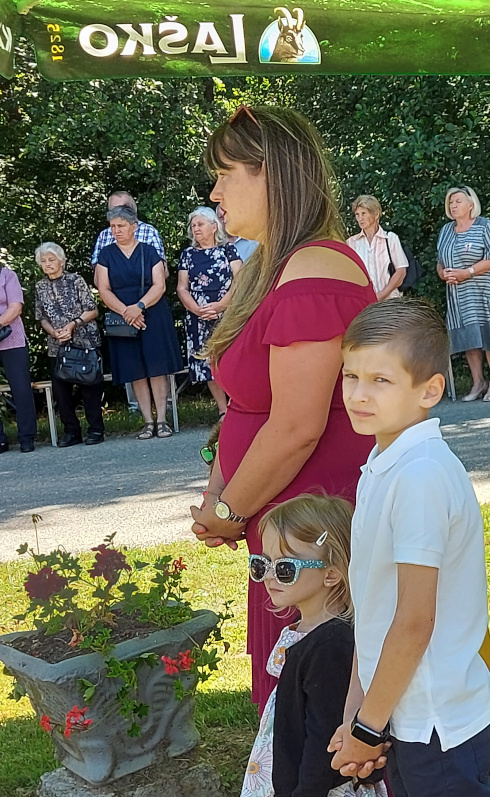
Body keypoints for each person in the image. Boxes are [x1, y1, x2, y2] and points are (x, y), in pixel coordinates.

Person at [189, 106, 377, 713]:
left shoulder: (316, 269)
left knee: (318, 718)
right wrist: (224, 496)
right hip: (284, 532)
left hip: (312, 531)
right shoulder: (276, 267)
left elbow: (296, 426)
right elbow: (246, 408)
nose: (215, 192)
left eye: (225, 173)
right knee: (295, 714)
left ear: (273, 173)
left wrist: (227, 509)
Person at [332, 299, 490, 797]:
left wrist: (366, 725)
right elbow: (373, 607)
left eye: (380, 380)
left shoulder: (422, 474)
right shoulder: (382, 459)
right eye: (350, 375)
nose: (359, 394)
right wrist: (360, 710)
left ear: (430, 389)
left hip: (436, 721)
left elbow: (414, 620)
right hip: (401, 715)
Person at [218, 494, 403, 797]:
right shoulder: (309, 633)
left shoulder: (331, 646)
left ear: (333, 574)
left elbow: (325, 742)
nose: (269, 576)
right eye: (260, 564)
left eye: (284, 567)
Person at [95, 204, 183, 439]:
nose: (116, 231)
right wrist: (127, 311)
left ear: (134, 227)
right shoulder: (106, 255)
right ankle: (147, 421)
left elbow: (160, 285)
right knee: (135, 370)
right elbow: (103, 289)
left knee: (156, 366)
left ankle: (162, 420)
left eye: (121, 226)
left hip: (151, 312)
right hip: (123, 317)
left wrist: (139, 307)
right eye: (113, 226)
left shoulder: (149, 251)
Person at [437, 187, 490, 403]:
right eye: (451, 202)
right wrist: (443, 273)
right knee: (469, 338)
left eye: (458, 201)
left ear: (471, 204)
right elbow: (440, 261)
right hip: (459, 295)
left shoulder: (484, 226)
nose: (453, 205)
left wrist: (466, 272)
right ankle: (478, 381)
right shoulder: (446, 230)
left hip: (487, 292)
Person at [34, 242, 105, 447]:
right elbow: (41, 317)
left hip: (84, 340)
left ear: (61, 262)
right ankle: (71, 432)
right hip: (57, 345)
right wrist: (54, 332)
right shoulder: (40, 286)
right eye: (44, 261)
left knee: (90, 387)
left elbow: (92, 310)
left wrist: (72, 325)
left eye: (51, 259)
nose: (48, 264)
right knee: (61, 391)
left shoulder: (75, 280)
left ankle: (96, 429)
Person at [179, 206, 243, 418]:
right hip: (199, 316)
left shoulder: (228, 250)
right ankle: (223, 410)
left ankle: (239, 404)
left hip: (228, 312)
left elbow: (240, 279)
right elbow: (181, 287)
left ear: (214, 227)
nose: (196, 228)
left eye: (200, 224)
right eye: (193, 225)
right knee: (208, 362)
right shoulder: (188, 254)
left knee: (232, 359)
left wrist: (222, 304)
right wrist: (197, 309)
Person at [0, 262, 36, 453]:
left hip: (11, 338)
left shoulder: (8, 275)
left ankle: (27, 437)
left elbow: (15, 308)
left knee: (21, 389)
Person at [348, 195, 408, 301]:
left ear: (376, 215)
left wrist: (381, 295)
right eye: (357, 214)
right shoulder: (352, 242)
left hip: (391, 302)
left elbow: (401, 272)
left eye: (364, 213)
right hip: (364, 303)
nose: (360, 218)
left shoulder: (390, 239)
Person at [90, 190, 165, 268]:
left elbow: (162, 270)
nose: (117, 213)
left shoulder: (149, 232)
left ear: (133, 209)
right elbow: (97, 272)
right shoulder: (104, 235)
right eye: (113, 210)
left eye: (122, 209)